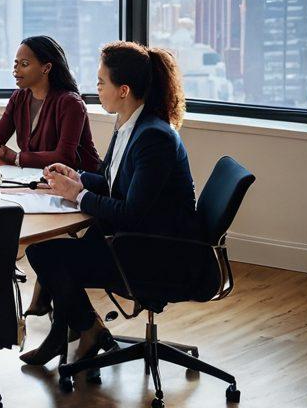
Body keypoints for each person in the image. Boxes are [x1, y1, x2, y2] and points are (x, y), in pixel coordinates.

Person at [21, 41, 197, 368]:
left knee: (46, 257)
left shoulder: (153, 137)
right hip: (130, 238)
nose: (97, 89)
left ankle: (87, 331)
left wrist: (77, 195)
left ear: (124, 90)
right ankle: (74, 333)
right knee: (52, 253)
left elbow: (132, 213)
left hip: (156, 252)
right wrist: (78, 178)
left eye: (102, 82)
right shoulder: (128, 125)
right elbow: (113, 181)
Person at [0, 36, 100, 171]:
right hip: (40, 177)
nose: (16, 70)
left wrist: (15, 157)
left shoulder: (70, 103)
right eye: (15, 63)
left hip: (82, 179)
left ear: (46, 68)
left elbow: (64, 157)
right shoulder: (19, 97)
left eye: (24, 64)